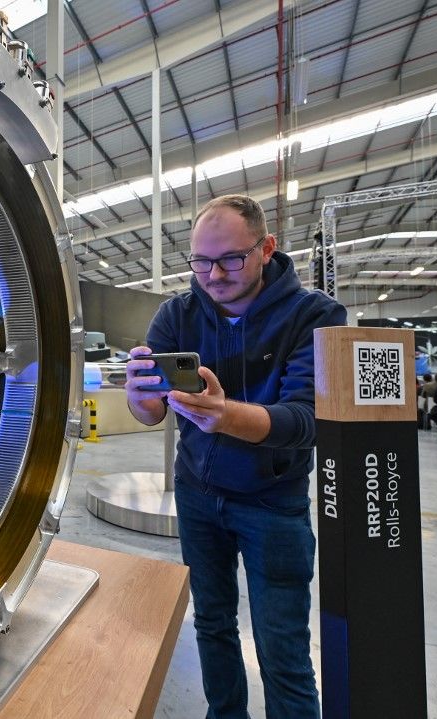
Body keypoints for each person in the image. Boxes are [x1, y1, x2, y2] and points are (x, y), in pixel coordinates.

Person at [125, 194, 346, 718]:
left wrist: (223, 415)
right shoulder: (177, 313)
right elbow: (151, 414)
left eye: (230, 259)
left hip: (274, 505)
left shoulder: (315, 315)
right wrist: (138, 396)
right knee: (212, 624)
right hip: (199, 499)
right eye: (201, 261)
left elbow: (306, 422)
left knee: (282, 648)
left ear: (266, 248)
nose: (213, 274)